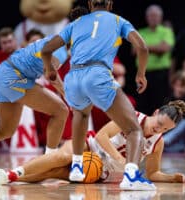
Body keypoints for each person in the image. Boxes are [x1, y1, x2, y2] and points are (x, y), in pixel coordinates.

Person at [41, 0, 153, 190]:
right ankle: (131, 176)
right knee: (134, 129)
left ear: (90, 4)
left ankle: (77, 166)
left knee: (81, 114)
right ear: (110, 4)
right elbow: (142, 47)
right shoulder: (118, 20)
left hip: (73, 77)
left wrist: (49, 69)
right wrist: (141, 74)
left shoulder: (77, 23)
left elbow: (46, 49)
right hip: (97, 74)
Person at [0, 100, 185, 185]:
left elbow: (153, 173)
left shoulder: (158, 143)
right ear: (156, 112)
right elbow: (101, 136)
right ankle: (11, 174)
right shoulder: (131, 117)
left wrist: (173, 178)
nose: (159, 129)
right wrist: (120, 159)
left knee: (53, 172)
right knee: (62, 156)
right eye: (160, 123)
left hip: (99, 171)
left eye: (166, 129)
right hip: (91, 146)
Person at [0, 35, 69, 160]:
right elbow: (50, 75)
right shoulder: (61, 51)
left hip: (2, 74)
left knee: (5, 131)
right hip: (14, 76)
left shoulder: (54, 38)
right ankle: (49, 161)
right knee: (61, 110)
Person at [135, 4, 175, 115]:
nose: (153, 18)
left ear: (161, 17)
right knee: (142, 104)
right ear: (147, 17)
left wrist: (144, 47)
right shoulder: (140, 32)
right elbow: (134, 50)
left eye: (156, 16)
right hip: (143, 74)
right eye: (151, 16)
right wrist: (155, 48)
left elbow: (165, 48)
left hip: (161, 75)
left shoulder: (166, 31)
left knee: (160, 105)